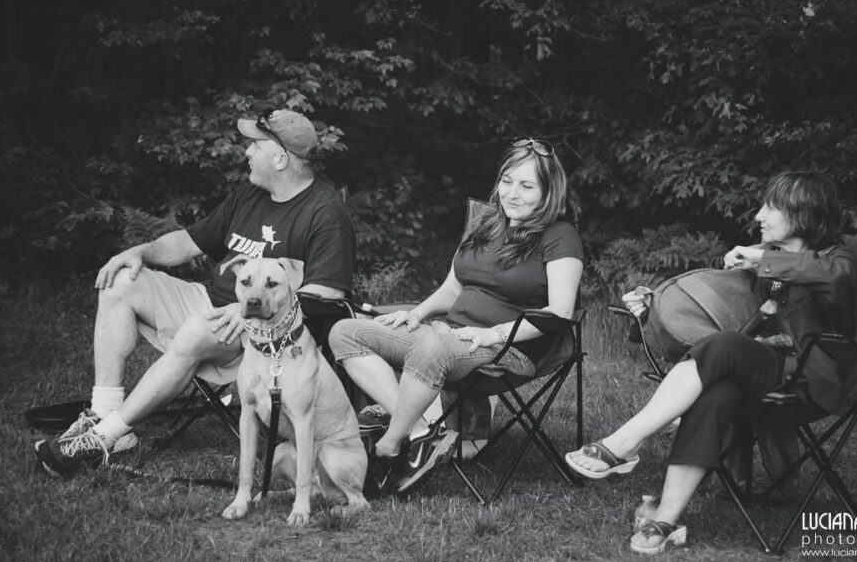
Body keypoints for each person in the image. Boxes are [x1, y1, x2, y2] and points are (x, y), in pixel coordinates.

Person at [564, 171, 857, 555]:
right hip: (760, 367)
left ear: (804, 214)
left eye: (771, 207)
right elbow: (715, 309)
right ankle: (665, 516)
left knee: (724, 346)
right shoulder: (766, 266)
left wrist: (762, 258)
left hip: (809, 377)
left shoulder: (835, 259)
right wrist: (651, 310)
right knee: (718, 392)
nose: (760, 215)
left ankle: (624, 442)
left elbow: (830, 277)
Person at [35, 110, 355, 478]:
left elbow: (326, 293)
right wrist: (140, 252)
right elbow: (188, 241)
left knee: (196, 331)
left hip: (266, 333)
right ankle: (104, 411)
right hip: (212, 304)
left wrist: (245, 309)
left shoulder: (325, 213)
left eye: (254, 145)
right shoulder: (250, 195)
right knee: (121, 283)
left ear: (280, 158)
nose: (246, 152)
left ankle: (102, 439)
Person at [328, 138, 584, 493]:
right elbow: (452, 289)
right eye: (507, 181)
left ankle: (390, 445)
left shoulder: (560, 236)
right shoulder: (486, 224)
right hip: (447, 333)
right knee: (344, 331)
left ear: (549, 191)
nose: (512, 193)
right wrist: (415, 314)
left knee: (434, 346)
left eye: (527, 186)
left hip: (509, 350)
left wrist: (493, 335)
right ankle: (424, 432)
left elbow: (560, 312)